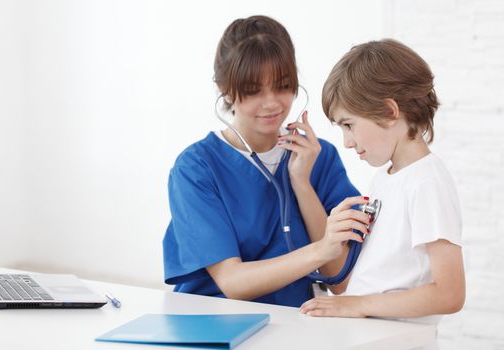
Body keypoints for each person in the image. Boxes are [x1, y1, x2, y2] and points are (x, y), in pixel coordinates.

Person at [162, 15, 370, 307]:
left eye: (283, 86)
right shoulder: (196, 168)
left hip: (293, 325)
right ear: (226, 90)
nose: (272, 102)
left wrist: (301, 183)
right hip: (212, 325)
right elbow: (232, 282)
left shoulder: (319, 158)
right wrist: (322, 249)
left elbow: (339, 277)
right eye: (253, 90)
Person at [300, 39, 465, 323]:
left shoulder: (426, 183)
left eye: (348, 125)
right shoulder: (384, 179)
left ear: (390, 113)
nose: (347, 142)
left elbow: (449, 294)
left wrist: (356, 305)